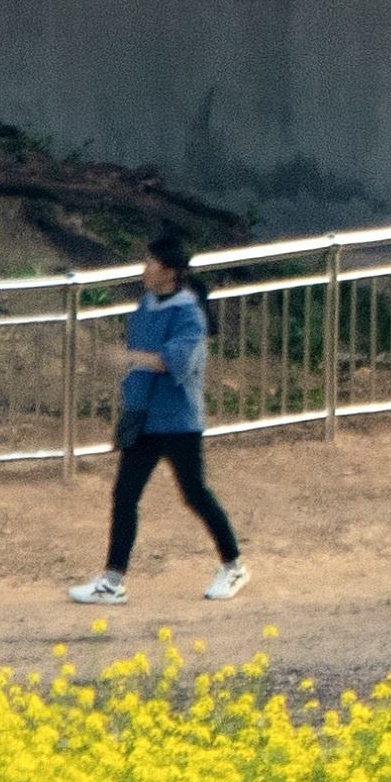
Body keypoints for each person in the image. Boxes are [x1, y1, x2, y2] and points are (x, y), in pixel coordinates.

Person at [72, 235, 247, 605]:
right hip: (143, 418)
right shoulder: (146, 305)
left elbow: (173, 362)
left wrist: (127, 358)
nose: (145, 268)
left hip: (179, 421)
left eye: (151, 262)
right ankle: (112, 580)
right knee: (124, 496)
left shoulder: (188, 314)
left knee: (195, 494)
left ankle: (233, 565)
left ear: (168, 271)